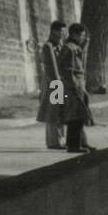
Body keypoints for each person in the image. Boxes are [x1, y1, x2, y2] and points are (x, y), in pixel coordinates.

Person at [56, 23, 96, 152]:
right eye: (81, 35)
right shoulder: (69, 48)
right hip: (72, 86)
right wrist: (72, 85)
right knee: (75, 117)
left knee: (80, 115)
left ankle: (81, 143)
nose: (83, 38)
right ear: (74, 35)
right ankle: (73, 146)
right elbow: (63, 68)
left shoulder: (75, 47)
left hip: (78, 84)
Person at [36, 20, 66, 150]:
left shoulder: (59, 45)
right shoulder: (48, 46)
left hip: (58, 82)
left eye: (64, 31)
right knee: (54, 113)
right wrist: (58, 83)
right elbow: (51, 67)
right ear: (53, 31)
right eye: (61, 31)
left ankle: (57, 140)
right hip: (54, 83)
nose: (63, 33)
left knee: (58, 112)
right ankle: (54, 141)